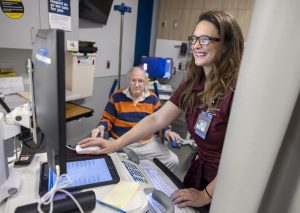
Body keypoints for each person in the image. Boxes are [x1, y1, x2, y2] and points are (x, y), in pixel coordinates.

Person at [79, 10, 244, 210]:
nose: (196, 45)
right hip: (199, 174)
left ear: (226, 44)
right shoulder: (193, 84)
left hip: (225, 185)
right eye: (194, 38)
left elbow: (244, 159)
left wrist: (205, 195)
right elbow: (157, 119)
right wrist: (115, 145)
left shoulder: (239, 90)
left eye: (206, 39)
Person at [89, 66, 179, 172]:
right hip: (120, 142)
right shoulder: (117, 97)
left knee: (173, 161)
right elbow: (107, 119)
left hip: (146, 143)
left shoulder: (153, 99)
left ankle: (151, 180)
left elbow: (160, 122)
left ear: (146, 82)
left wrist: (167, 131)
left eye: (140, 81)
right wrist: (101, 126)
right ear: (129, 81)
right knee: (104, 163)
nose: (136, 85)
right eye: (133, 80)